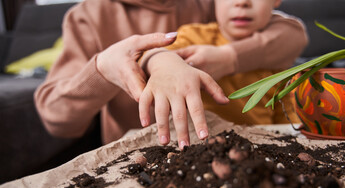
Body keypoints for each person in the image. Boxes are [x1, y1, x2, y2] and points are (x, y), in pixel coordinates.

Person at [34, 0, 308, 150]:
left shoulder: (205, 5)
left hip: (211, 144)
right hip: (139, 153)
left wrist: (228, 58)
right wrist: (102, 70)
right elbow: (57, 119)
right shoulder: (89, 16)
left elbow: (292, 35)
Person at [139, 0, 308, 149]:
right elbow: (153, 55)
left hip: (258, 146)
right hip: (199, 144)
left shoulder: (276, 55)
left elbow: (285, 113)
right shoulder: (193, 36)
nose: (242, 2)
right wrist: (163, 62)